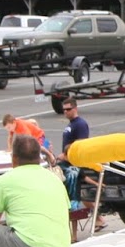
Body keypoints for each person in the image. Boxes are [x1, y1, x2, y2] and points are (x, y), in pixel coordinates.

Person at [56, 98, 93, 239]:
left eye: (68, 109)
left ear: (75, 108)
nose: (65, 112)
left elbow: (81, 144)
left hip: (73, 165)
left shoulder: (80, 124)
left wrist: (66, 156)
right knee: (78, 195)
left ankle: (75, 235)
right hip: (67, 164)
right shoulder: (71, 124)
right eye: (64, 110)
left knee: (73, 198)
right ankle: (98, 216)